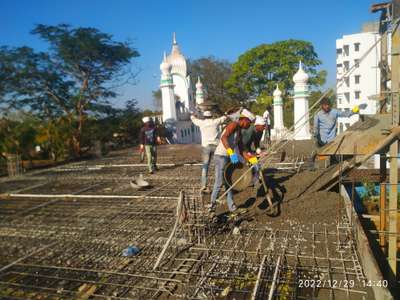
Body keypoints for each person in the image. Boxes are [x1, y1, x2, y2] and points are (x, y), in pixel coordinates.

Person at [210, 109, 258, 213]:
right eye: (249, 123)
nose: (249, 125)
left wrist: (253, 159)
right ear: (244, 119)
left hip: (227, 156)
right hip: (221, 156)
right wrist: (231, 153)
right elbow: (224, 138)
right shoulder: (233, 125)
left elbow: (242, 150)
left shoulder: (239, 131)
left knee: (229, 183)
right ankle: (211, 207)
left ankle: (232, 207)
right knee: (219, 182)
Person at [190, 110, 227, 192]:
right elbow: (224, 117)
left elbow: (193, 118)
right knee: (218, 166)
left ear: (204, 117)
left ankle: (204, 186)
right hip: (216, 146)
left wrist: (193, 114)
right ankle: (220, 184)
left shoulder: (201, 123)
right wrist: (224, 113)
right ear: (211, 116)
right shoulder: (215, 121)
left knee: (205, 167)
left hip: (206, 146)